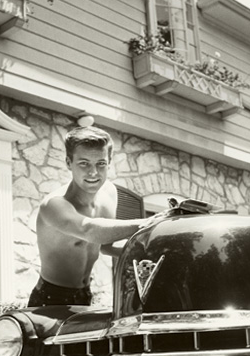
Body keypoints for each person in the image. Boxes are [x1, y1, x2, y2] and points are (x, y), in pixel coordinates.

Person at [28, 125, 155, 307]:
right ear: (68, 162)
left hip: (85, 296)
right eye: (84, 164)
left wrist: (149, 254)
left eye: (100, 164)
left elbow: (105, 246)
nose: (93, 173)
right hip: (50, 300)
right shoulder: (54, 205)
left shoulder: (110, 192)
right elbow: (89, 230)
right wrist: (153, 223)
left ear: (109, 163)